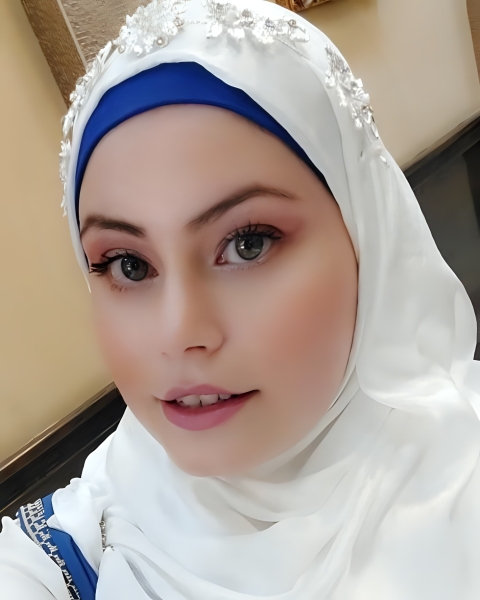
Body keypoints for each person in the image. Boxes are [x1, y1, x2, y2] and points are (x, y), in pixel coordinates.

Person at [1, 0, 480, 598]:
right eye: (129, 265)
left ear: (366, 239)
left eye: (248, 244)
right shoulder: (84, 536)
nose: (180, 332)